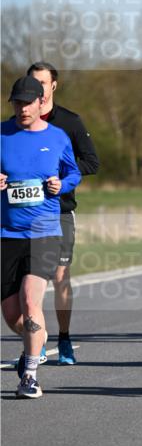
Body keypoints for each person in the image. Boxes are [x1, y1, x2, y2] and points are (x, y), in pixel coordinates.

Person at [1, 76, 81, 398]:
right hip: (6, 232)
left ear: (40, 103)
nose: (22, 108)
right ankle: (38, 339)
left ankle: (30, 376)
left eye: (27, 102)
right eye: (16, 103)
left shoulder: (58, 137)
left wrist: (62, 185)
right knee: (11, 314)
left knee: (31, 299)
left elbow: (73, 172)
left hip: (45, 230)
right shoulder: (2, 134)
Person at [26, 62, 99, 365]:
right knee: (30, 280)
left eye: (42, 83)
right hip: (24, 213)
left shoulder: (69, 122)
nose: (37, 90)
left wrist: (61, 176)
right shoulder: (18, 121)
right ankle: (37, 341)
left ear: (53, 86)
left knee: (59, 277)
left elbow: (92, 162)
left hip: (59, 210)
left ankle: (64, 338)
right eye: (32, 83)